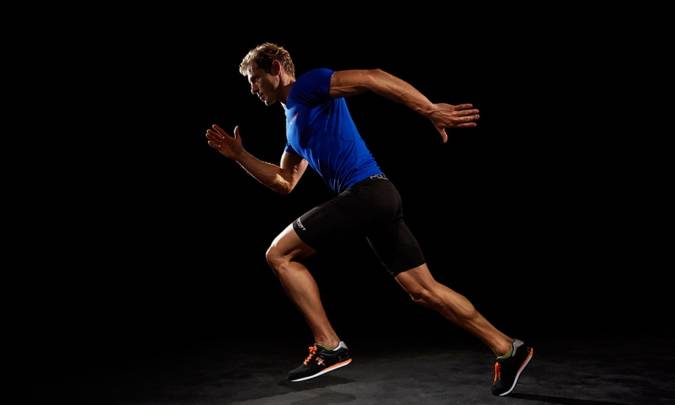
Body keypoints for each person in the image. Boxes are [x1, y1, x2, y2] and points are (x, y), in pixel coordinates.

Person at [206, 42, 533, 396]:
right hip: (377, 198)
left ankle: (329, 346)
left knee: (279, 254)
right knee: (424, 291)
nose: (252, 88)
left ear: (276, 69)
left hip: (367, 193)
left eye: (255, 78)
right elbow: (284, 182)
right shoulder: (292, 125)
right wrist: (240, 156)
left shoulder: (308, 86)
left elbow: (372, 77)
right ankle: (507, 347)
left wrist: (428, 109)